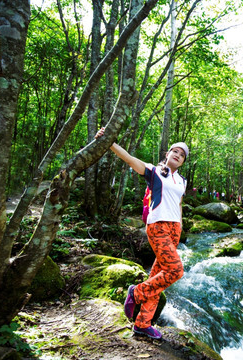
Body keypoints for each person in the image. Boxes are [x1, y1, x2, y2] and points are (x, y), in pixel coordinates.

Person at [94, 127, 188, 340]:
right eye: (175, 151)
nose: (178, 155)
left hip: (174, 229)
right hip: (157, 226)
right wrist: (110, 142)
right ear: (167, 154)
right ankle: (135, 293)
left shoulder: (181, 181)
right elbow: (129, 158)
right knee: (175, 270)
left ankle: (142, 324)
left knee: (157, 277)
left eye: (182, 155)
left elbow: (179, 204)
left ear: (183, 161)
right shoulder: (154, 171)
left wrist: (180, 226)